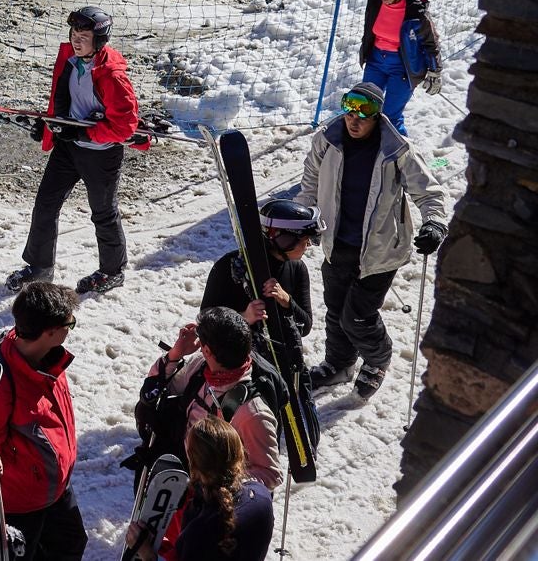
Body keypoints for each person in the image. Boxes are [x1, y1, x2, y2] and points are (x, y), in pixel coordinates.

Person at [294, 81, 448, 401]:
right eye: (350, 108)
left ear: (377, 114)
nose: (355, 118)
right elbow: (309, 183)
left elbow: (428, 191)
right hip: (336, 243)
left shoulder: (396, 149)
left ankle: (377, 360)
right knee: (336, 311)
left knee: (357, 316)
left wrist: (434, 224)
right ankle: (339, 364)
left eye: (364, 111)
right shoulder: (327, 140)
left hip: (381, 250)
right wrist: (304, 217)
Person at [8, 6, 146, 296]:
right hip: (68, 147)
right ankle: (40, 267)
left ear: (99, 40)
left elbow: (125, 125)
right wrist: (47, 127)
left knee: (103, 213)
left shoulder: (112, 75)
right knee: (45, 204)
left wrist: (84, 132)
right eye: (74, 34)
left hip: (101, 153)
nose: (76, 40)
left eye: (84, 35)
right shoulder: (71, 61)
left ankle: (112, 271)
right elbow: (62, 102)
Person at [0, 281, 88, 561]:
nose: (72, 327)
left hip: (56, 492)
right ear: (50, 332)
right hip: (15, 506)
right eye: (70, 323)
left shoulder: (49, 358)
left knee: (71, 545)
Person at [200, 199, 320, 450]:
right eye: (304, 239)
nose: (308, 245)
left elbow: (305, 325)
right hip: (240, 370)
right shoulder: (229, 267)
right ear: (283, 238)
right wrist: (243, 318)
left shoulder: (297, 270)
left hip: (285, 363)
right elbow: (206, 321)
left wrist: (287, 301)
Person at [141, 308, 282, 492]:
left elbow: (271, 474)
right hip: (184, 469)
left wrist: (217, 484)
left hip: (216, 499)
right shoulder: (201, 365)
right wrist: (175, 354)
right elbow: (159, 393)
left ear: (207, 350)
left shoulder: (252, 413)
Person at [124, 418, 274, 561]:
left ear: (193, 462)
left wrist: (146, 553)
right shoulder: (262, 496)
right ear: (239, 452)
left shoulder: (199, 533)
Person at [358, 0, 442, 137]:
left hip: (403, 66)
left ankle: (401, 157)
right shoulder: (375, 0)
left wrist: (435, 72)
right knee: (364, 108)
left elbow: (430, 43)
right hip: (376, 62)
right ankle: (366, 151)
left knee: (390, 117)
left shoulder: (416, 13)